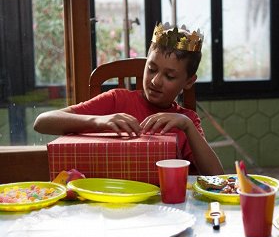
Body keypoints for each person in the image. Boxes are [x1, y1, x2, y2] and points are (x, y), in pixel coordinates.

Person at [34, 23, 224, 176]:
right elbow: (42, 122)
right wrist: (99, 121)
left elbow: (217, 177)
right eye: (151, 69)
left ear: (189, 81)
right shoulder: (117, 100)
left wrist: (188, 126)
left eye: (170, 76)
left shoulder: (185, 120)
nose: (156, 81)